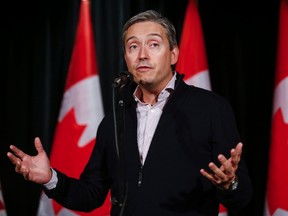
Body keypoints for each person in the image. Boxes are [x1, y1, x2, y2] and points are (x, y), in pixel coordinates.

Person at [7, 9, 253, 216]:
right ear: (126, 57)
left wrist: (230, 183)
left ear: (174, 54)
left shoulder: (211, 109)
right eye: (133, 46)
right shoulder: (116, 119)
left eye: (154, 44)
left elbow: (242, 198)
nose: (142, 54)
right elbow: (91, 194)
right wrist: (50, 178)